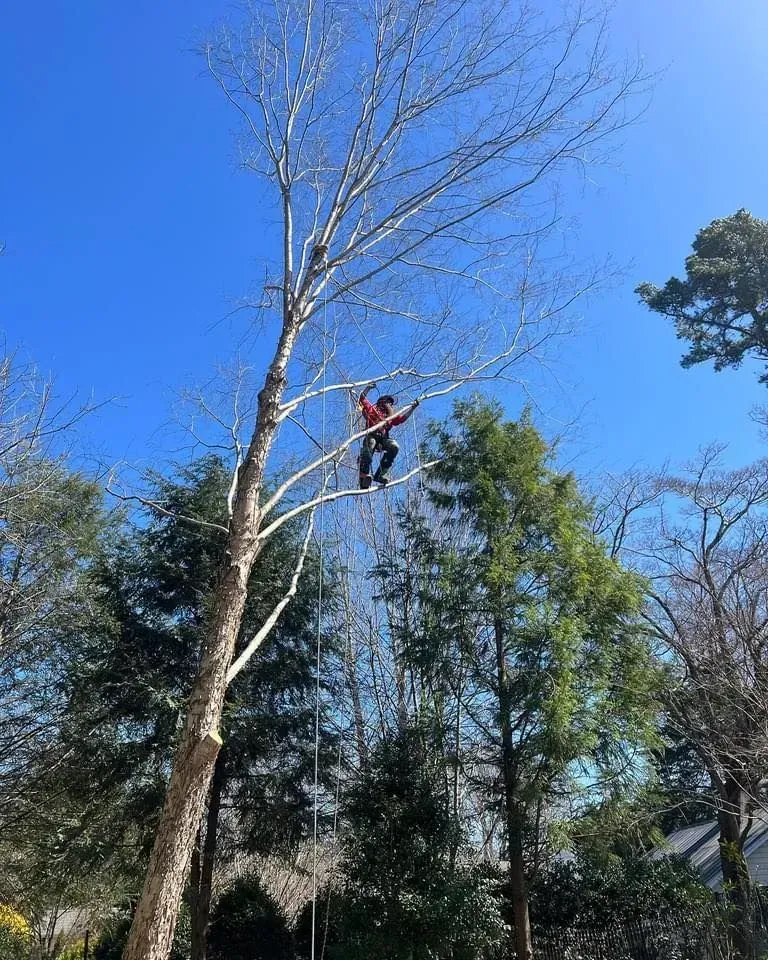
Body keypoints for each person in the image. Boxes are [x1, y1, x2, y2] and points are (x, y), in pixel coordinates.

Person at [357, 382, 419, 488]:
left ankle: (381, 474)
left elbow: (402, 419)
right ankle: (364, 476)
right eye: (388, 403)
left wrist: (412, 408)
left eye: (391, 404)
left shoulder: (390, 416)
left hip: (383, 439)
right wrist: (368, 388)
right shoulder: (373, 410)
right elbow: (362, 399)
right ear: (382, 403)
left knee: (394, 446)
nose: (390, 405)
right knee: (370, 443)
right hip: (371, 435)